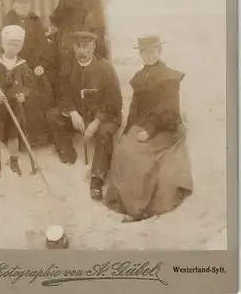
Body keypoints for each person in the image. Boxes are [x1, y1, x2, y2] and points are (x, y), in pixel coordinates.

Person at [105, 35, 193, 222]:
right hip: (145, 125)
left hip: (165, 128)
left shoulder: (169, 78)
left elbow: (169, 111)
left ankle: (138, 209)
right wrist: (128, 130)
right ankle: (124, 202)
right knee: (123, 149)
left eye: (152, 51)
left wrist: (149, 131)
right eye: (144, 52)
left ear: (159, 52)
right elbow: (135, 109)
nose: (148, 56)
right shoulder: (140, 77)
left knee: (137, 158)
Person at [47, 31, 123, 200]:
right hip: (79, 115)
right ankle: (68, 157)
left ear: (94, 47)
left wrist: (96, 121)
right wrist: (72, 112)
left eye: (85, 47)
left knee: (105, 134)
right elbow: (61, 93)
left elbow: (115, 101)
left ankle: (97, 179)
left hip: (104, 115)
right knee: (53, 116)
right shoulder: (68, 66)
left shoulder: (104, 67)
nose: (81, 50)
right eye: (77, 47)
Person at [0, 0, 54, 146]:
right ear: (14, 4)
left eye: (26, 3)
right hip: (11, 67)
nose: (23, 6)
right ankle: (12, 138)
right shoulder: (7, 20)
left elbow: (44, 48)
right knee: (11, 94)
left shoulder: (35, 21)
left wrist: (41, 65)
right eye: (20, 2)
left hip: (31, 68)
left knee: (39, 91)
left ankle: (35, 138)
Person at [0, 25, 35, 176]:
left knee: (13, 135)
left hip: (15, 106)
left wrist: (24, 94)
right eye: (10, 43)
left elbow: (29, 83)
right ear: (3, 44)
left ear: (21, 45)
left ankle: (14, 162)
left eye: (17, 44)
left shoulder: (22, 65)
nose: (13, 47)